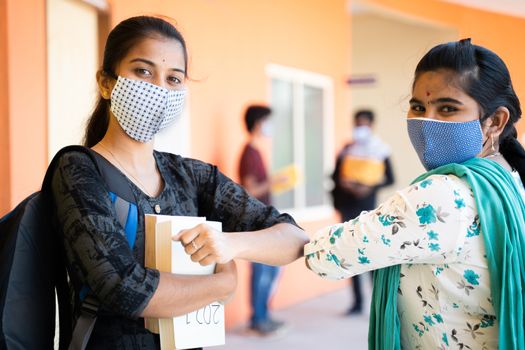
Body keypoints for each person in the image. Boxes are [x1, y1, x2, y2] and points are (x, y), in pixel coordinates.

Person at [50, 16, 307, 349]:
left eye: (174, 79)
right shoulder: (79, 169)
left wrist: (232, 245)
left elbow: (294, 238)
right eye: (143, 71)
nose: (159, 89)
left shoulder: (190, 175)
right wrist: (222, 284)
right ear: (106, 83)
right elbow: (125, 290)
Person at [305, 39, 525, 349]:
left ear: (495, 121)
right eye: (418, 107)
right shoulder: (510, 178)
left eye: (447, 108)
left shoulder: (443, 193)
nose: (426, 122)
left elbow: (324, 255)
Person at [331, 109, 394, 315]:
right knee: (350, 255)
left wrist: (370, 186)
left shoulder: (381, 150)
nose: (360, 128)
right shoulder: (347, 150)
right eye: (357, 124)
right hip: (348, 208)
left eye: (364, 124)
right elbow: (334, 176)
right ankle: (357, 303)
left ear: (372, 125)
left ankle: (379, 302)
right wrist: (344, 183)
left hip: (367, 209)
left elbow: (390, 178)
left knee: (371, 254)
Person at [238, 105, 286, 336]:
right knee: (261, 272)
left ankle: (263, 316)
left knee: (269, 271)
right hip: (256, 221)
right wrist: (275, 181)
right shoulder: (249, 152)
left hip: (264, 219)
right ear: (258, 123)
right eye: (268, 121)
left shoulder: (255, 151)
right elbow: (250, 189)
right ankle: (258, 319)